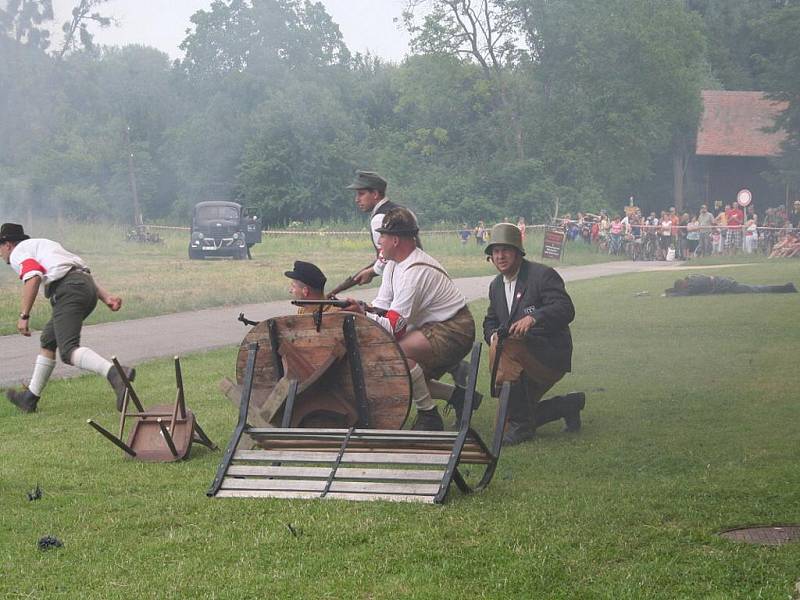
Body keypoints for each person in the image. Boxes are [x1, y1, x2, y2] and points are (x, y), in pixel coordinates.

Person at [342, 208, 476, 431]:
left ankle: (428, 416)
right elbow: (382, 306)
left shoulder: (414, 272)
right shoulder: (394, 265)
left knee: (395, 354)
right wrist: (362, 309)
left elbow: (394, 328)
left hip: (454, 329)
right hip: (434, 325)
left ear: (395, 240)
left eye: (382, 236)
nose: (379, 242)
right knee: (399, 367)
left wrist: (361, 313)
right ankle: (459, 397)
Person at [1, 223, 134, 413]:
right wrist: (105, 297)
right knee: (48, 339)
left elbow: (33, 276)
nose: (0, 254)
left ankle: (116, 374)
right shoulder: (44, 244)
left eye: (0, 248)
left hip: (68, 290)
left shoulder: (18, 252)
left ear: (7, 244)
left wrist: (24, 315)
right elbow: (76, 270)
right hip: (85, 287)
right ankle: (30, 398)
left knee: (68, 350)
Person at [483, 223, 585, 446]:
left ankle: (521, 427)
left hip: (549, 355)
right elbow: (490, 321)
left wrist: (535, 317)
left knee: (506, 348)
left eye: (505, 250)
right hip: (516, 363)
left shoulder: (542, 275)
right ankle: (568, 405)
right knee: (504, 425)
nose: (500, 256)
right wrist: (492, 335)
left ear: (518, 252)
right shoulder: (495, 286)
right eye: (495, 251)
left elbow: (565, 308)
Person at [345, 170, 406, 287]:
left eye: (361, 194)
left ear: (375, 194)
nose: (357, 199)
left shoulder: (379, 218)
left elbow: (386, 256)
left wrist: (371, 272)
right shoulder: (400, 210)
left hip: (400, 278)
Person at [664, 275, 796, 296]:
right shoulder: (691, 277)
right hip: (725, 282)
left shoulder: (693, 285)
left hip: (728, 285)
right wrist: (670, 291)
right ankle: (786, 288)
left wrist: (669, 295)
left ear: (684, 285)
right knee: (755, 288)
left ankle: (786, 288)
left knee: (756, 289)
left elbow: (686, 294)